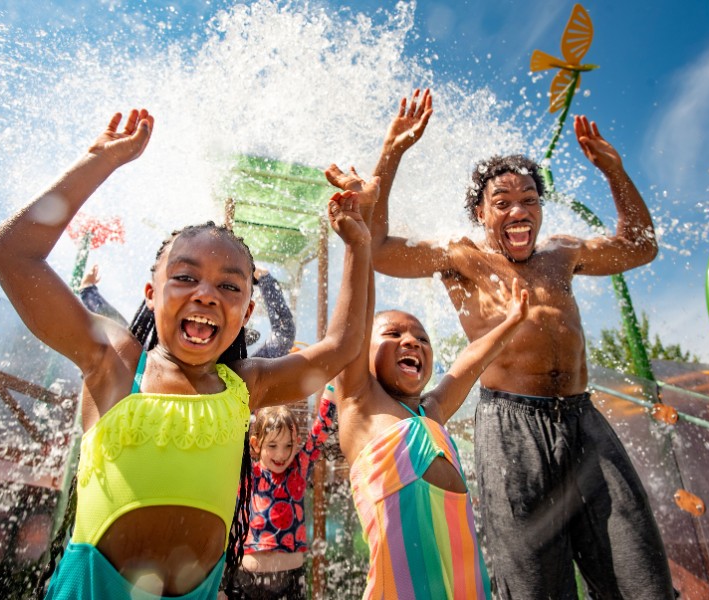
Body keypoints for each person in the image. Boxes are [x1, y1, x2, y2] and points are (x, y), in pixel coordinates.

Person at [0, 108, 373, 600]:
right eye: (185, 277)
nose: (206, 294)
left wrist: (358, 245)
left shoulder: (245, 386)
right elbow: (9, 251)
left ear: (247, 309)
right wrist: (98, 162)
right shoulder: (117, 362)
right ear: (151, 292)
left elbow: (341, 347)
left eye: (229, 285)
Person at [355, 88, 674, 599]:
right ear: (481, 214)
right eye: (502, 203)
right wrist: (392, 150)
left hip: (583, 419)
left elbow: (641, 246)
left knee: (639, 572)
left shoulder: (563, 252)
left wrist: (614, 171)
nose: (518, 211)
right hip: (511, 423)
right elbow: (377, 250)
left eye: (529, 200)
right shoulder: (460, 256)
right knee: (531, 583)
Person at [324, 163, 529, 599]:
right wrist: (358, 239)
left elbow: (469, 363)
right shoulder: (360, 405)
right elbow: (354, 325)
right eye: (394, 334)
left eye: (421, 338)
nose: (411, 342)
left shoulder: (431, 412)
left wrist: (511, 322)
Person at [227, 395, 335, 599]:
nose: (281, 454)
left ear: (297, 443)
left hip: (290, 581)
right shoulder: (247, 475)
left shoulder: (298, 470)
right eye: (273, 445)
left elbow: (320, 431)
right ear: (256, 444)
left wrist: (331, 393)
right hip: (247, 580)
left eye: (289, 445)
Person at [78, 263, 295, 357]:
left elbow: (283, 336)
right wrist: (265, 280)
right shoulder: (137, 359)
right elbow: (121, 328)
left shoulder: (239, 378)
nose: (206, 298)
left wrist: (266, 281)